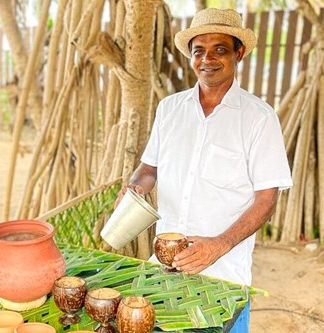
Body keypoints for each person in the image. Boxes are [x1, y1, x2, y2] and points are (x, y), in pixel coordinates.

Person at [117, 8, 293, 331]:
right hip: (164, 272)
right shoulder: (169, 110)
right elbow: (148, 169)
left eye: (220, 50)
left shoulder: (259, 119)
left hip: (223, 277)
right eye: (199, 51)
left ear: (239, 53)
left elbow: (267, 199)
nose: (207, 59)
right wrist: (134, 187)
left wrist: (218, 245)